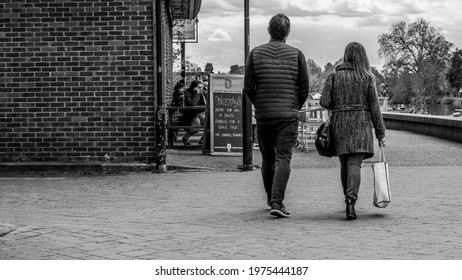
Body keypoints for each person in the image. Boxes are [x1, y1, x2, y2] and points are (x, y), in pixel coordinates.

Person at [244, 13, 309, 218]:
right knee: (283, 159)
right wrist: (293, 106)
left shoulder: (255, 53)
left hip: (264, 115)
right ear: (287, 32)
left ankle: (270, 198)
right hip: (287, 114)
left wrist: (260, 104)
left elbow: (248, 87)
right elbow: (304, 88)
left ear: (269, 30)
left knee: (267, 159)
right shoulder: (297, 54)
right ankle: (277, 201)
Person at [320, 42, 386, 220]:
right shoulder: (366, 77)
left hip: (340, 124)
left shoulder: (333, 77)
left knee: (344, 165)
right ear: (362, 56)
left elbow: (324, 102)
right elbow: (374, 107)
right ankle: (351, 200)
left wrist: (338, 102)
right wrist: (380, 132)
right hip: (360, 125)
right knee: (354, 165)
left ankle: (347, 199)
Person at [182, 80, 206, 146]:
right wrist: (197, 93)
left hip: (199, 112)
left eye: (202, 87)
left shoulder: (202, 92)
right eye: (199, 87)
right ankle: (185, 138)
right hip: (191, 114)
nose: (201, 88)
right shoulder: (188, 92)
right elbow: (192, 104)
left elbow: (204, 104)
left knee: (209, 124)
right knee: (196, 127)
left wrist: (201, 93)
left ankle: (203, 139)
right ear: (194, 87)